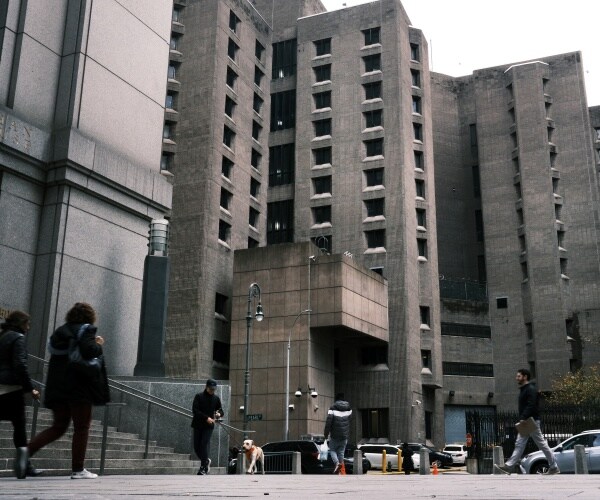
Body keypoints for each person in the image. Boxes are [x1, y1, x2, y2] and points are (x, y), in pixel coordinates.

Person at [27, 302, 110, 479]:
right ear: (90, 316)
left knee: (58, 426)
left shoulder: (61, 332)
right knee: (82, 427)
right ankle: (78, 470)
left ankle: (26, 451)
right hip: (79, 387)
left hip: (58, 387)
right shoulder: (86, 330)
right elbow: (89, 351)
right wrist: (98, 344)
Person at [0, 311, 41, 479]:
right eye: (28, 323)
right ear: (21, 323)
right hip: (11, 389)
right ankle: (24, 465)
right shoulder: (18, 338)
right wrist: (30, 389)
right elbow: (20, 365)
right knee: (19, 426)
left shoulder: (2, 337)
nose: (29, 327)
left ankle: (26, 464)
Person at [495, 368, 559, 475]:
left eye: (519, 376)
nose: (517, 378)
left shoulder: (530, 389)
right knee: (520, 443)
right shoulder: (526, 389)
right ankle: (509, 466)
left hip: (530, 421)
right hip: (527, 421)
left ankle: (553, 466)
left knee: (541, 444)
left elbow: (531, 405)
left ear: (525, 377)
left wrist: (523, 417)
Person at [191, 379, 224, 475]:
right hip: (198, 424)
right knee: (196, 447)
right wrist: (206, 418)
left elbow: (221, 410)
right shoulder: (199, 396)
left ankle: (202, 468)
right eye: (210, 389)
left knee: (204, 444)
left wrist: (218, 414)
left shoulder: (216, 398)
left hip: (209, 426)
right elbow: (195, 410)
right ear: (206, 387)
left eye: (214, 389)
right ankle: (206, 461)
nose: (212, 391)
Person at [324, 393, 352, 474]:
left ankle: (336, 463)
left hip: (335, 435)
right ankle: (341, 470)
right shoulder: (349, 408)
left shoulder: (332, 408)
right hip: (344, 435)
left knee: (332, 450)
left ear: (336, 399)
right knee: (341, 452)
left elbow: (328, 422)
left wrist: (326, 434)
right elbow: (350, 419)